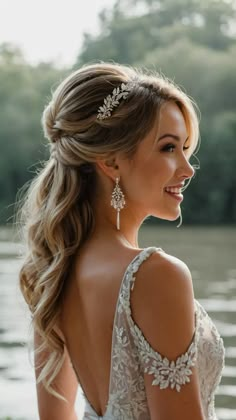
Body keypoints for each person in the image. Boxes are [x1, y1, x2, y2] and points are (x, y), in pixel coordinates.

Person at [18, 62, 225, 420]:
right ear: (111, 162)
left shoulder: (54, 271)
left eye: (184, 148)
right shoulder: (156, 275)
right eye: (168, 148)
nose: (188, 169)